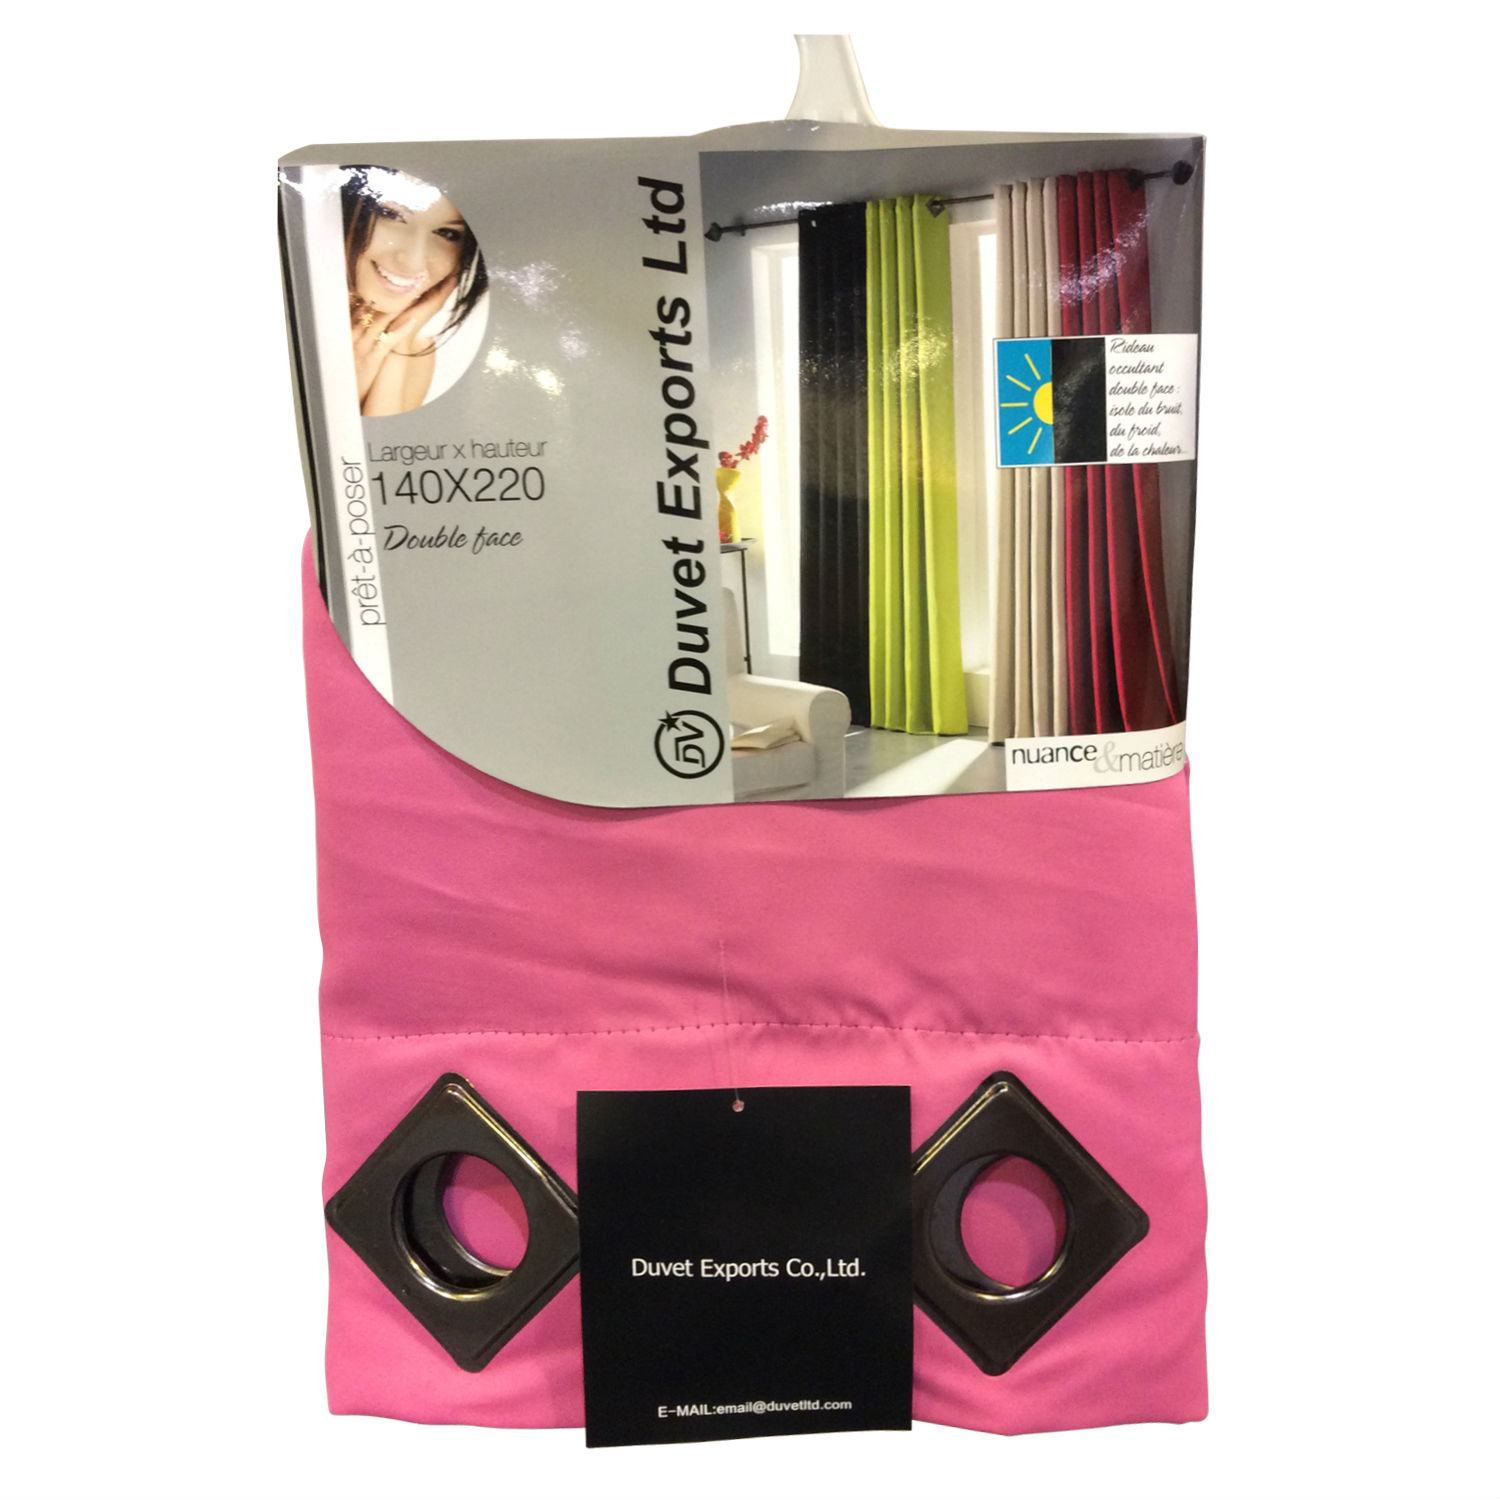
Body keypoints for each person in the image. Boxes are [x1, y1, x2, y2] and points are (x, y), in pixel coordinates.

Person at [342, 166, 487, 416]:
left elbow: (384, 439)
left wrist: (400, 339)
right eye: (391, 215)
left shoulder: (415, 352)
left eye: (447, 233)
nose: (413, 262)